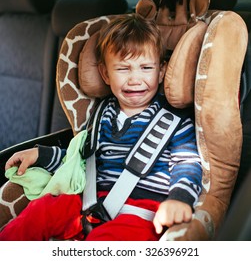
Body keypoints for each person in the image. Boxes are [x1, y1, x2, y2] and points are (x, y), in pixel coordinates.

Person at [0, 13, 202, 241]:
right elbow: (80, 159)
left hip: (142, 214)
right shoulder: (101, 114)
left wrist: (179, 198)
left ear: (162, 71)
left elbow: (187, 164)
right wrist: (42, 154)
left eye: (146, 68)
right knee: (42, 209)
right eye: (123, 69)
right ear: (105, 74)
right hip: (89, 204)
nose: (135, 79)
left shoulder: (174, 120)